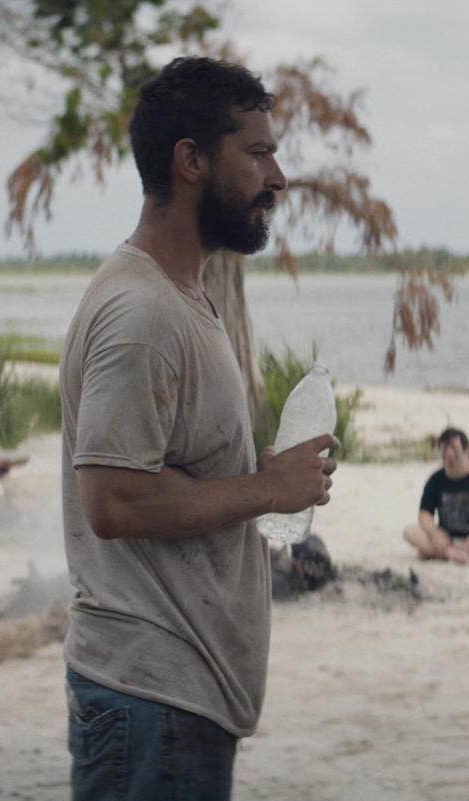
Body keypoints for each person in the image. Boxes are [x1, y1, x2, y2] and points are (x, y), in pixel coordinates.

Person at [59, 57, 338, 800]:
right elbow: (114, 500)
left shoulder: (182, 296)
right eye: (258, 153)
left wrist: (263, 478)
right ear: (191, 160)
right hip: (152, 701)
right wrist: (266, 490)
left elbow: (164, 469)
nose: (278, 177)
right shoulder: (142, 312)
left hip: (176, 701)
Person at [403, 427, 469, 565]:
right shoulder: (435, 479)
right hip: (445, 538)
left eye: (454, 449)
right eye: (445, 449)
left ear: (466, 450)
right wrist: (435, 534)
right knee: (409, 532)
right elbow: (424, 514)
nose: (449, 454)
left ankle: (439, 553)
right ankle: (454, 554)